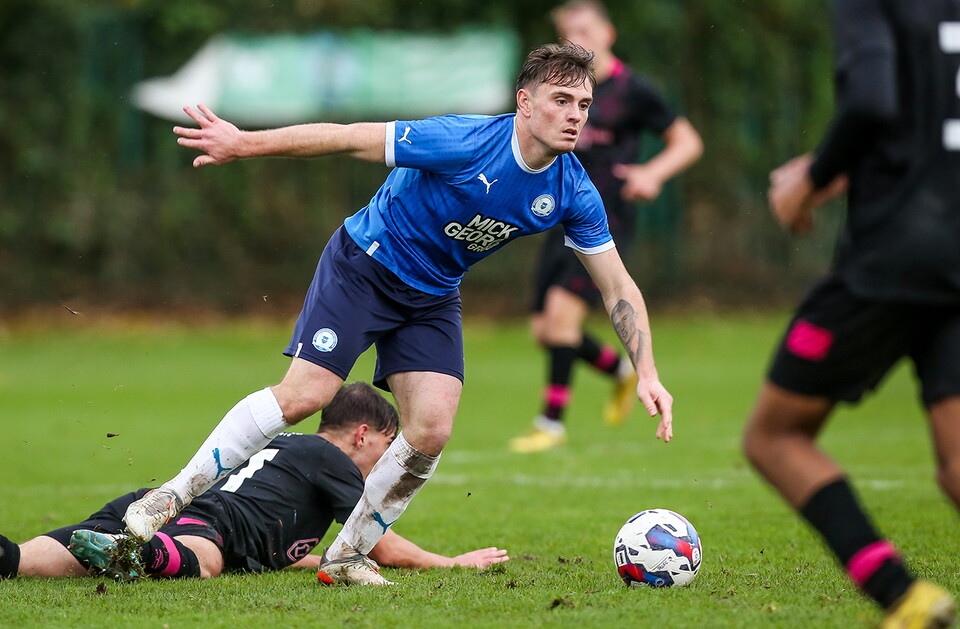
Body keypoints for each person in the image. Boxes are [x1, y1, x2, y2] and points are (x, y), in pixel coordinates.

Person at [119, 42, 674, 586]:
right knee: (306, 395)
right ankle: (170, 495)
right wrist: (243, 144)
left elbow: (617, 286)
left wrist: (646, 372)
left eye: (584, 104)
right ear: (525, 103)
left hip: (433, 294)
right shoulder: (463, 140)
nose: (575, 116)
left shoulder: (574, 189)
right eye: (561, 100)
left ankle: (348, 555)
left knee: (432, 428)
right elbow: (347, 137)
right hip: (365, 265)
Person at [742, 1, 959, 626]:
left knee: (774, 436)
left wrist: (811, 177)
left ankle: (902, 596)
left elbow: (870, 101)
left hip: (896, 257)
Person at [0, 382, 508, 581]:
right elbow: (382, 546)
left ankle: (12, 556)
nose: (388, 460)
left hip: (161, 507)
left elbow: (298, 549)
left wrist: (313, 560)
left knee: (26, 563)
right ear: (361, 434)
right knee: (207, 563)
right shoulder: (332, 459)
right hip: (207, 526)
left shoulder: (288, 448)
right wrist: (451, 562)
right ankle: (133, 553)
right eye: (388, 444)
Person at [509, 0, 701, 454]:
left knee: (561, 320)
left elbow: (687, 141)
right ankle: (619, 371)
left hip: (604, 221)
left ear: (608, 33)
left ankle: (550, 424)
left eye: (585, 31)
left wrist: (652, 173)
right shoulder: (556, 91)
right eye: (568, 35)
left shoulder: (633, 90)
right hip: (557, 215)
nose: (578, 41)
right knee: (545, 331)